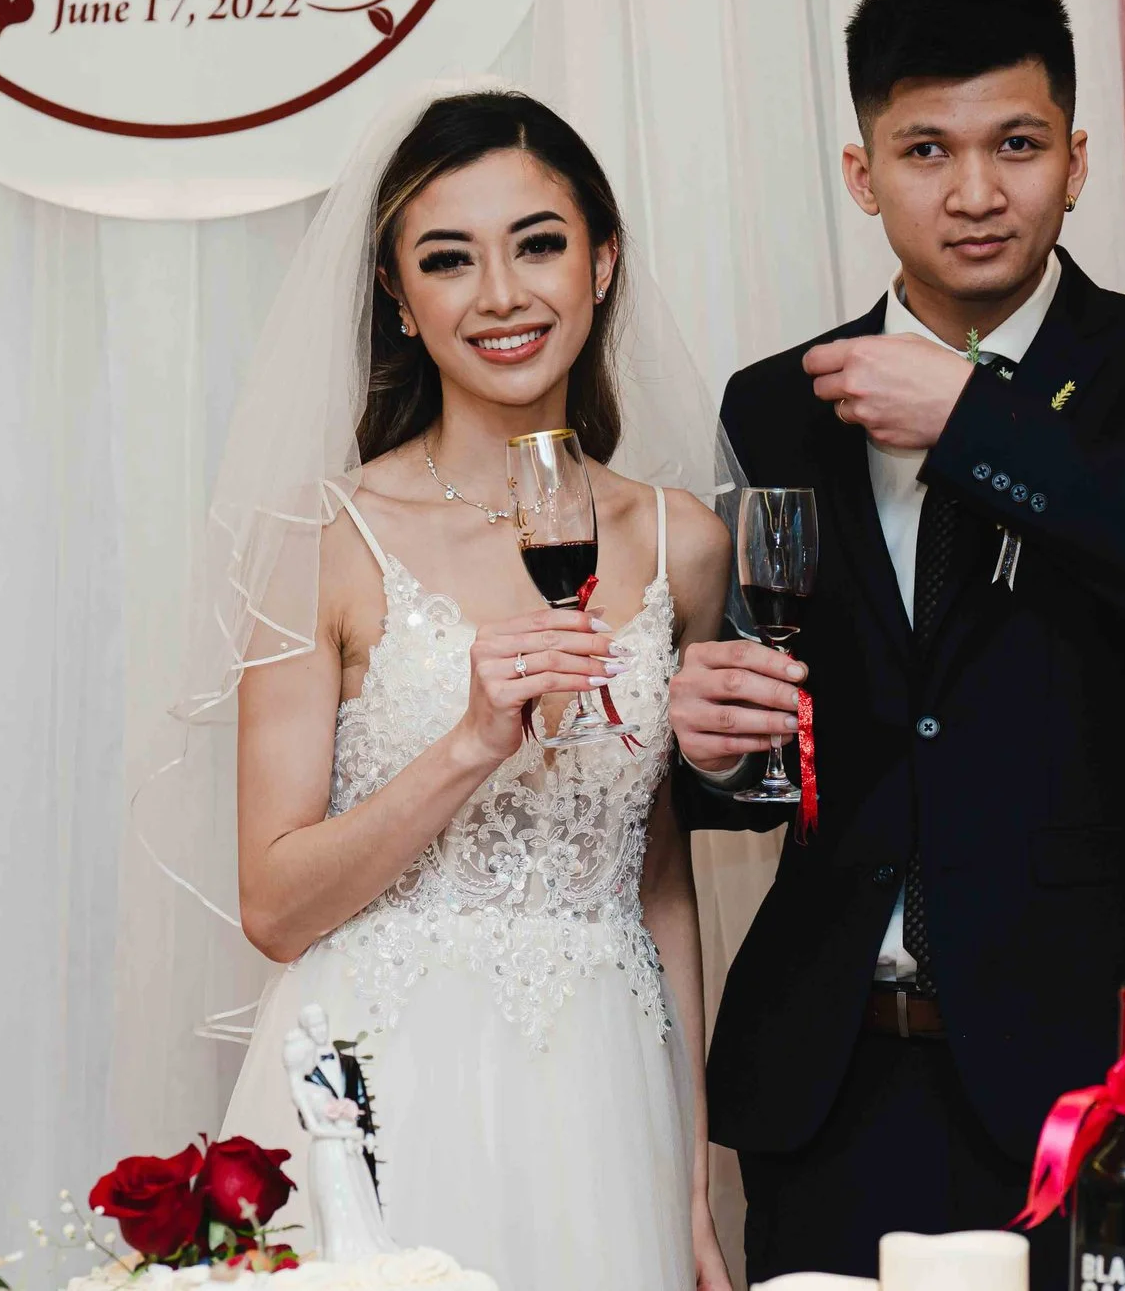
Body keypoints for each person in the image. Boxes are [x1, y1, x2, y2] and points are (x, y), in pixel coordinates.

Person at [668, 0, 1125, 1289]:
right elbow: (763, 744)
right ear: (864, 175)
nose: (974, 192)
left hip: (1085, 1077)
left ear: (1076, 161)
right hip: (835, 1077)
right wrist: (714, 748)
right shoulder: (777, 402)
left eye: (1015, 144)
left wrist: (976, 421)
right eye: (927, 151)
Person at [207, 89, 737, 1291]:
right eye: (449, 258)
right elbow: (275, 907)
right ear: (399, 298)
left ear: (601, 262)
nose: (501, 294)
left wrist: (688, 1177)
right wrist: (468, 742)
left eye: (537, 243)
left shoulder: (684, 543)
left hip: (603, 1087)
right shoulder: (321, 540)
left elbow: (658, 879)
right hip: (385, 1085)